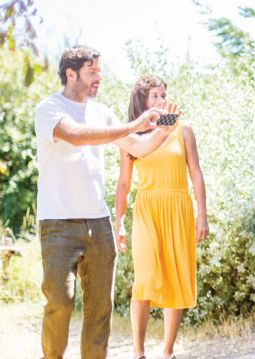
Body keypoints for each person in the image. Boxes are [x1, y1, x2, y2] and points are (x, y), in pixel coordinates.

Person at [34, 45, 176, 359]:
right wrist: (135, 124)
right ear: (71, 74)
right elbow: (76, 135)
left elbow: (137, 147)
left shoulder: (103, 112)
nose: (99, 78)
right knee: (60, 302)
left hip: (98, 224)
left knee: (100, 310)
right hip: (57, 223)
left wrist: (162, 131)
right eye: (92, 72)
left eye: (100, 71)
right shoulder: (49, 108)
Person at [114, 74, 208, 359]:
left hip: (179, 207)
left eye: (163, 94)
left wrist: (202, 214)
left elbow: (196, 172)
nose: (160, 100)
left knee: (176, 276)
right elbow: (123, 183)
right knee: (145, 278)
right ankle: (138, 352)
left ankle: (167, 351)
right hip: (147, 209)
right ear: (142, 100)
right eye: (154, 95)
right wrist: (119, 222)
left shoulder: (183, 128)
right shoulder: (131, 135)